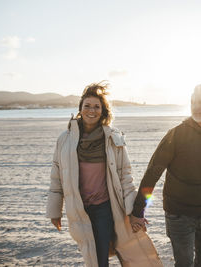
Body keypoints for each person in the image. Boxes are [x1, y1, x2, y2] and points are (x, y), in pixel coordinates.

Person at [46, 82, 162, 267]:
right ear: (80, 109)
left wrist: (134, 212)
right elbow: (57, 176)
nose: (91, 110)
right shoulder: (65, 140)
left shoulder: (113, 137)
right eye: (87, 106)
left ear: (103, 111)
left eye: (96, 107)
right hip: (79, 209)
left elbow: (125, 176)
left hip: (104, 208)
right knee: (91, 257)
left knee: (102, 258)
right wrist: (54, 210)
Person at [130, 83, 201, 267]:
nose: (196, 107)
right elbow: (153, 172)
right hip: (179, 215)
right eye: (193, 102)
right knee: (184, 263)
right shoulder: (176, 135)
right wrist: (138, 210)